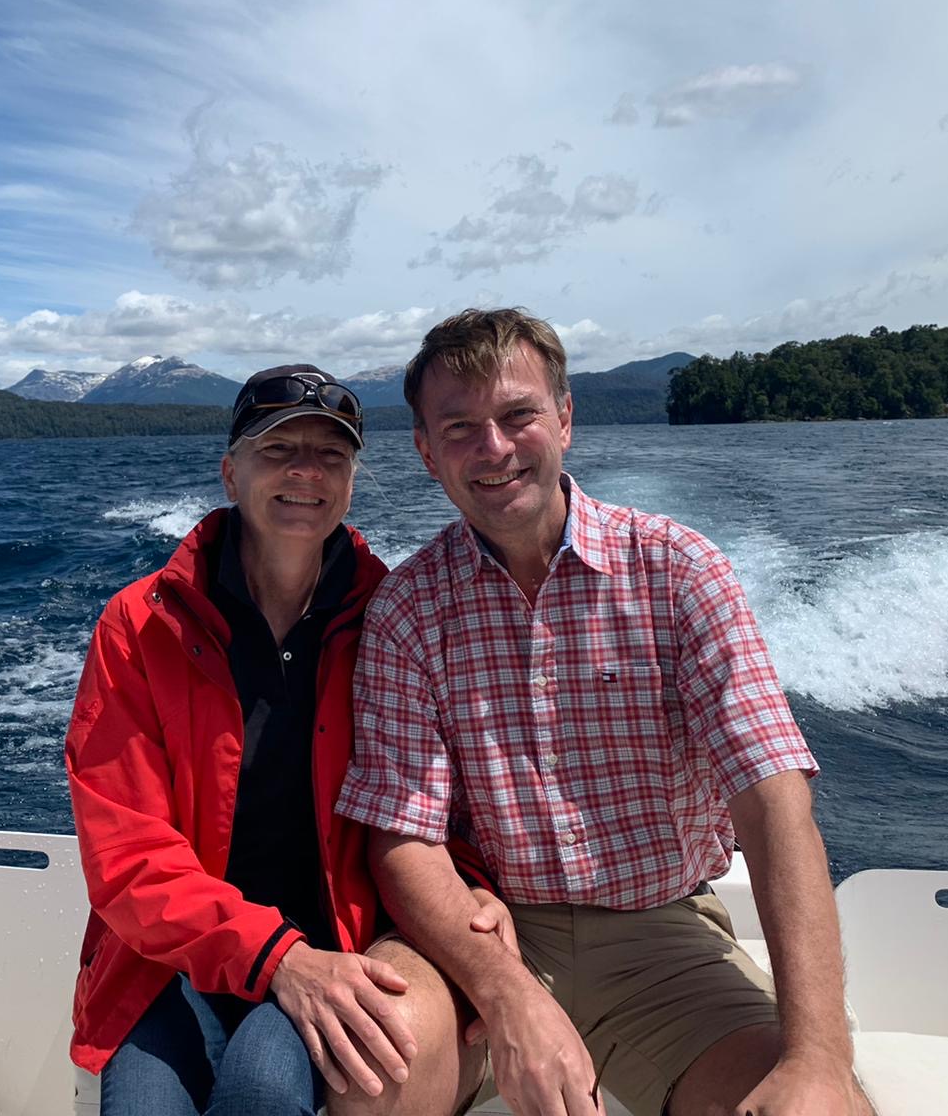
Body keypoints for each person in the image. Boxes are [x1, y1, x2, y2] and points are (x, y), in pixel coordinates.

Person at [335, 310, 875, 1116]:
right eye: (459, 428)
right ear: (425, 451)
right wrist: (507, 993)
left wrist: (819, 1057)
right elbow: (403, 837)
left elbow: (773, 803)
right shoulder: (408, 608)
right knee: (373, 1069)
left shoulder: (678, 572)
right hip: (487, 931)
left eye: (517, 414)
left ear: (564, 419)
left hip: (662, 937)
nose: (493, 447)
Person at [64, 364, 511, 1116]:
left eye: (331, 454)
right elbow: (127, 854)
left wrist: (474, 886)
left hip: (338, 940)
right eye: (278, 450)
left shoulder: (391, 619)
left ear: (351, 482)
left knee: (261, 1094)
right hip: (173, 956)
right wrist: (275, 958)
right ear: (230, 473)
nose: (306, 471)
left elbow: (449, 793)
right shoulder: (140, 627)